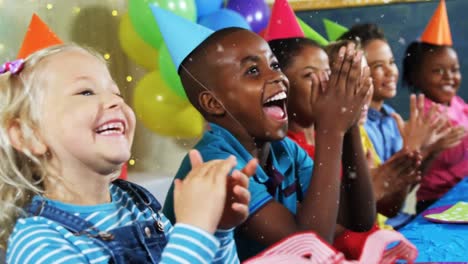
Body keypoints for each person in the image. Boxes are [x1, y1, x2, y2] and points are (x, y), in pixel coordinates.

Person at [153, 3, 375, 261]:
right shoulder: (216, 165)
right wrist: (331, 129)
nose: (277, 78)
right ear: (213, 103)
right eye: (253, 71)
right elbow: (308, 249)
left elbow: (360, 218)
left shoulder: (284, 151)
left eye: (275, 65)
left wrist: (349, 123)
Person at [0, 44, 252, 263]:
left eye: (117, 93)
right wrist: (194, 230)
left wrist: (217, 230)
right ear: (27, 135)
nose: (116, 102)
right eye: (86, 92)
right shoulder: (39, 244)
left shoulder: (137, 205)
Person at [402, 0, 467, 213]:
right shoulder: (425, 112)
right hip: (437, 201)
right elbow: (449, 155)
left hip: (461, 192)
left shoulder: (456, 103)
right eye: (438, 71)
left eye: (454, 69)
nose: (449, 77)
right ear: (416, 77)